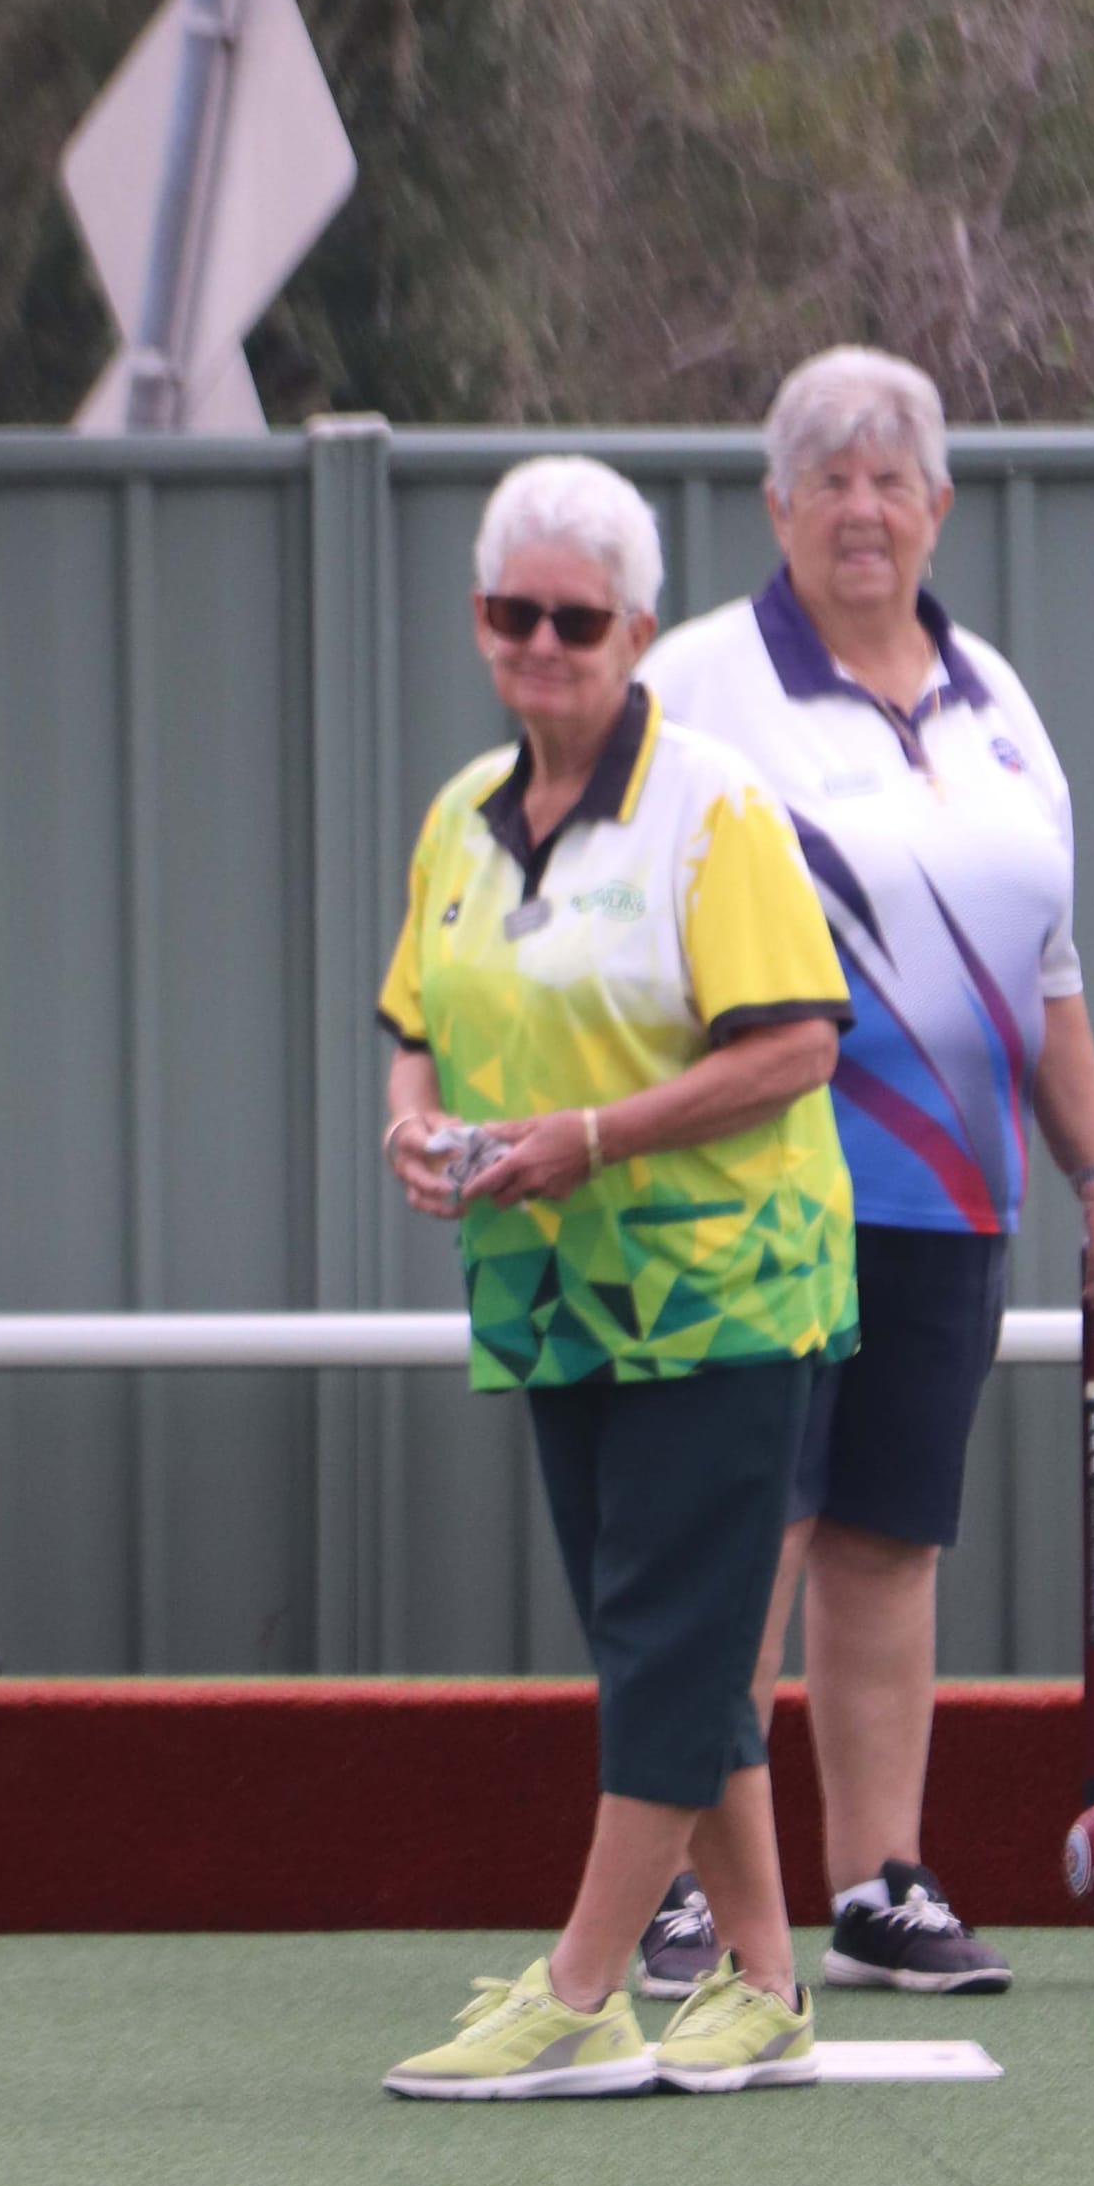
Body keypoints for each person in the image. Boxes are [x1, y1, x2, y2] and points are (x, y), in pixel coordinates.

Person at [641, 346, 1094, 1998]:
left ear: (938, 505)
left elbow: (1047, 967)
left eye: (891, 477)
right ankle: (673, 1885)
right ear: (775, 504)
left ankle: (873, 1883)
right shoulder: (707, 685)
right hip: (750, 1185)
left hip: (948, 1201)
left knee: (883, 1545)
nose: (862, 507)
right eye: (828, 476)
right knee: (749, 1540)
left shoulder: (1000, 703)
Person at [376, 454, 857, 2097]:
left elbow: (797, 1045)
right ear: (480, 623)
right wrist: (414, 1123)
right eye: (513, 614)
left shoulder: (715, 804)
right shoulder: (459, 814)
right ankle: (771, 1985)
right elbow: (417, 1026)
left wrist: (595, 1132)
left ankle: (584, 1989)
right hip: (545, 1292)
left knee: (667, 1636)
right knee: (666, 1637)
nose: (543, 644)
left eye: (577, 619)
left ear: (637, 629)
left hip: (726, 1286)